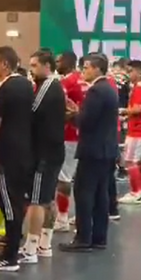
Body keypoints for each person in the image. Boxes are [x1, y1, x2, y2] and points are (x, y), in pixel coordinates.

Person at [58, 53, 119, 253]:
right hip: (106, 149)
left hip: (93, 149)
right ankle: (99, 237)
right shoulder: (109, 89)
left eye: (86, 67)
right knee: (101, 194)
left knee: (84, 193)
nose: (83, 71)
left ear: (97, 69)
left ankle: (83, 237)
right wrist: (79, 112)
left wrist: (71, 116)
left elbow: (86, 121)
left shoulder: (96, 91)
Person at [0, 46, 34, 272]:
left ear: (4, 64)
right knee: (15, 200)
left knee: (8, 202)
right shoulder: (26, 84)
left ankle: (10, 255)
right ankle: (12, 244)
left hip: (7, 153)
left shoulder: (5, 88)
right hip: (24, 149)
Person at [20, 50, 66, 262]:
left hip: (45, 153)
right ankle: (45, 244)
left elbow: (31, 111)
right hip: (54, 150)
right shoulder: (54, 86)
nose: (31, 70)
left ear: (47, 66)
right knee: (48, 198)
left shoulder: (48, 85)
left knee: (37, 201)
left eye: (34, 65)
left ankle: (30, 248)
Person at [54, 51, 85, 230]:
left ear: (67, 62)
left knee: (63, 177)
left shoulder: (67, 82)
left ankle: (62, 218)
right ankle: (79, 215)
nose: (56, 64)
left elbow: (61, 108)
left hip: (69, 135)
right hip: (80, 134)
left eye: (59, 61)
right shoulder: (81, 80)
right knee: (77, 177)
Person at [119, 60, 141, 204]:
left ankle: (136, 191)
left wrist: (123, 111)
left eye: (131, 71)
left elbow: (137, 109)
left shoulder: (139, 88)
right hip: (140, 129)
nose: (128, 74)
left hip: (137, 130)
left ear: (139, 72)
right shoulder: (140, 87)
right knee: (139, 161)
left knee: (130, 161)